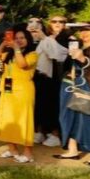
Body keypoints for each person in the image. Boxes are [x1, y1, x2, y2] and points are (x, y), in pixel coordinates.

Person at [55, 22, 90, 166]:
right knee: (70, 118)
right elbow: (59, 40)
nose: (84, 34)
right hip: (71, 85)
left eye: (88, 30)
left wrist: (83, 59)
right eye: (81, 31)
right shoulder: (77, 44)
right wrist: (68, 29)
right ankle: (73, 150)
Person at [0, 25, 39, 163]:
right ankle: (12, 149)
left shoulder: (33, 54)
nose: (19, 40)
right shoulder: (10, 54)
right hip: (8, 90)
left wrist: (15, 48)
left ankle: (28, 153)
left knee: (24, 121)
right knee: (8, 120)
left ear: (28, 39)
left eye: (22, 38)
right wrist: (5, 42)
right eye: (16, 38)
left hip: (23, 91)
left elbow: (22, 64)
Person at [31, 15, 70, 147]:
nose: (58, 23)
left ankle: (55, 134)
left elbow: (59, 55)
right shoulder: (45, 37)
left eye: (61, 21)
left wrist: (44, 38)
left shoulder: (67, 38)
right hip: (41, 76)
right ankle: (41, 131)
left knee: (54, 107)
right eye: (54, 21)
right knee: (41, 105)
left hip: (59, 78)